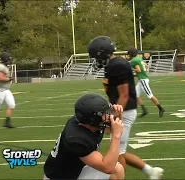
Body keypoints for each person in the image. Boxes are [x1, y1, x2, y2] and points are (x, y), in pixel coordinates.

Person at [88, 36, 164, 179]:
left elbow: (124, 95)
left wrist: (116, 117)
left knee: (117, 153)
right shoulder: (113, 65)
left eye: (95, 57)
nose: (94, 60)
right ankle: (150, 171)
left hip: (124, 111)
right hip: (120, 110)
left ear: (101, 54)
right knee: (118, 150)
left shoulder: (117, 66)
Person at [43, 93, 125, 179]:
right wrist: (116, 136)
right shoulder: (77, 139)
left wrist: (117, 115)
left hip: (77, 169)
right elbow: (108, 167)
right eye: (105, 113)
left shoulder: (88, 121)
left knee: (117, 169)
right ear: (94, 119)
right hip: (61, 177)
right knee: (114, 169)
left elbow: (109, 130)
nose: (108, 115)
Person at [128, 48, 165, 118]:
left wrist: (130, 69)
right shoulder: (138, 58)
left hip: (143, 80)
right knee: (135, 95)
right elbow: (146, 65)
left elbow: (138, 70)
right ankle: (144, 110)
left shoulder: (134, 60)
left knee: (150, 95)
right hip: (142, 79)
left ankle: (161, 108)